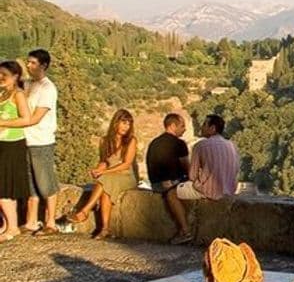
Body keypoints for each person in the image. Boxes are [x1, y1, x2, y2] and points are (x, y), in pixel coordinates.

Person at [0, 50, 59, 236]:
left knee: (45, 182)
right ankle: (31, 221)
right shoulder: (29, 84)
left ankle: (51, 222)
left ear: (43, 65)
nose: (29, 66)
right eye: (28, 62)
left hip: (41, 140)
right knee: (31, 183)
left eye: (33, 63)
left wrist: (2, 122)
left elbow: (34, 118)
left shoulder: (47, 89)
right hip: (25, 139)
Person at [165, 115, 239, 244]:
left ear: (213, 128)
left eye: (205, 124)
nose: (202, 127)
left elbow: (192, 176)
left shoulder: (201, 146)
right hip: (229, 189)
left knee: (171, 193)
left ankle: (185, 231)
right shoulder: (231, 145)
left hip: (208, 191)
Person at [67, 109, 138, 240]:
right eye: (123, 123)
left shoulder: (131, 141)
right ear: (116, 123)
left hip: (126, 176)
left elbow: (126, 164)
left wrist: (104, 172)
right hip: (110, 176)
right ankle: (105, 229)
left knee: (106, 180)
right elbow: (104, 161)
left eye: (128, 124)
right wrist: (98, 170)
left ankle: (85, 211)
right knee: (105, 189)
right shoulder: (105, 141)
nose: (126, 127)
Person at [0, 60, 32, 242]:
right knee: (5, 188)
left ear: (15, 76)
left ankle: (13, 227)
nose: (1, 78)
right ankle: (7, 224)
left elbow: (26, 119)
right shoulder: (3, 94)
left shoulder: (18, 95)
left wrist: (2, 123)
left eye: (5, 75)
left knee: (5, 189)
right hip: (2, 144)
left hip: (13, 145)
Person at [147, 113, 190, 241]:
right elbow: (186, 167)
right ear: (172, 126)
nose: (185, 129)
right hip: (171, 184)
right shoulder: (179, 144)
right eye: (182, 126)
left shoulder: (154, 143)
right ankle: (185, 231)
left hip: (155, 184)